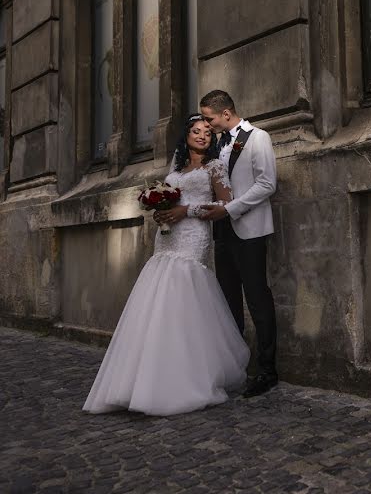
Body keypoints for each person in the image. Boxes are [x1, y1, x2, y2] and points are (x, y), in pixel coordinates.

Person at [83, 115, 250, 416]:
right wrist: (160, 211)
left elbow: (227, 204)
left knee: (185, 300)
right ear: (185, 136)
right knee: (157, 303)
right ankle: (143, 380)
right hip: (167, 239)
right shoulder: (175, 169)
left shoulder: (214, 167)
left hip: (194, 237)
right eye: (196, 132)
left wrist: (186, 210)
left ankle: (185, 379)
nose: (202, 136)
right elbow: (167, 199)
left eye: (208, 133)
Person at [197, 90, 279, 398]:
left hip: (249, 230)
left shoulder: (258, 138)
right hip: (222, 233)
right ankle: (235, 368)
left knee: (257, 299)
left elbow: (267, 183)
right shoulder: (216, 144)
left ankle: (268, 370)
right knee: (228, 303)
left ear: (226, 114)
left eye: (209, 118)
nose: (206, 124)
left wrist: (230, 209)